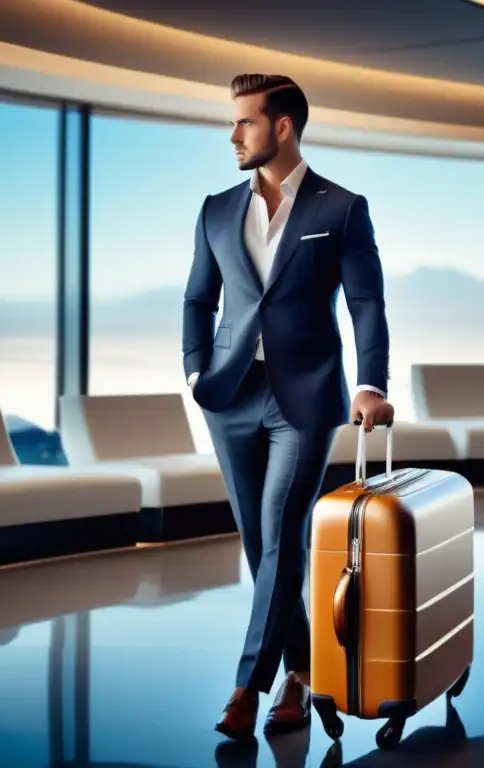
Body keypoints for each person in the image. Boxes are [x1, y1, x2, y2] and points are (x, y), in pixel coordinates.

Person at [182, 73, 394, 741]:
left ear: (282, 127)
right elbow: (197, 299)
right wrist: (195, 371)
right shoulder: (216, 208)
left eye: (245, 122)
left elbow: (366, 304)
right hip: (228, 396)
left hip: (305, 398)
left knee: (281, 534)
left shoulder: (342, 208)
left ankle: (247, 685)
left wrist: (372, 383)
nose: (233, 135)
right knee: (262, 546)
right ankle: (301, 674)